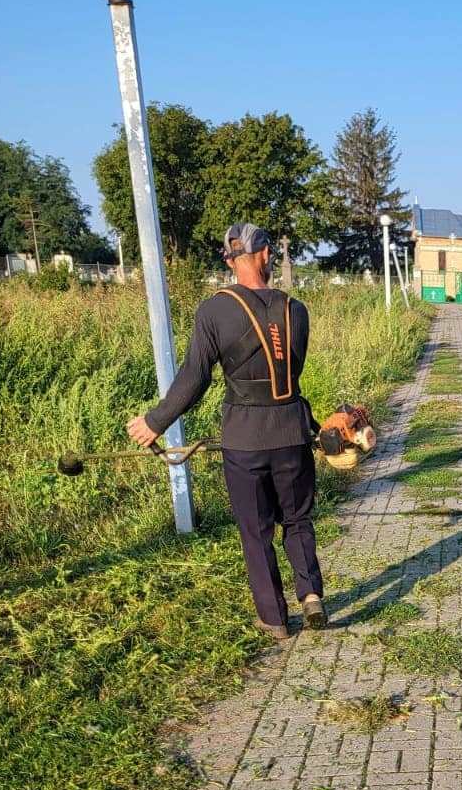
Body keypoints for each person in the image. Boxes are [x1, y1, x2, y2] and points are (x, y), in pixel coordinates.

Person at [126, 223, 326, 640]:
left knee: (256, 531)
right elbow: (292, 369)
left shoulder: (215, 310)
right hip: (292, 432)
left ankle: (274, 618)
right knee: (298, 519)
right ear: (266, 255)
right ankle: (310, 595)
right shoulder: (297, 310)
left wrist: (155, 422)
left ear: (232, 260)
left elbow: (195, 377)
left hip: (244, 440)